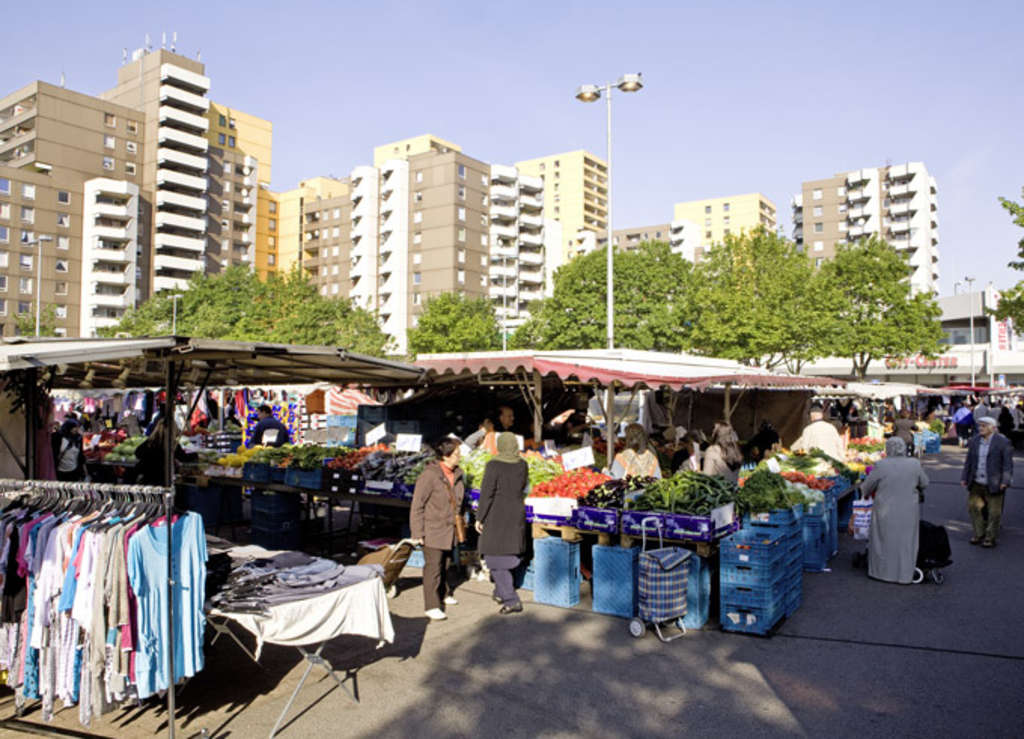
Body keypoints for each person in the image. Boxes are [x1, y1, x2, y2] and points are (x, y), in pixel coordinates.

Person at [410, 437, 466, 621]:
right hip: (433, 527)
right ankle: (432, 605)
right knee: (433, 567)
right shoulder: (429, 475)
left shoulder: (458, 474)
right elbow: (417, 505)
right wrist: (417, 533)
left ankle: (444, 593)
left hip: (450, 528)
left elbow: (459, 501)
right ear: (446, 455)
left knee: (446, 564)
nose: (460, 457)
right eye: (457, 454)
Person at [861, 437, 929, 584]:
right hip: (908, 509)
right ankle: (904, 575)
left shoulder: (881, 465)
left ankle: (882, 572)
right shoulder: (914, 464)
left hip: (885, 508)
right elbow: (925, 483)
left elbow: (866, 487)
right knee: (905, 542)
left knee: (883, 540)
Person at [475, 432, 528, 615]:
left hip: (497, 514)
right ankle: (500, 591)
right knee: (508, 552)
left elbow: (487, 493)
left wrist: (479, 517)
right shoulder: (522, 464)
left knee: (495, 557)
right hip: (515, 512)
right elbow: (523, 487)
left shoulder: (493, 465)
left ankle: (511, 600)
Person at [960, 416, 1013, 547]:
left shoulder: (1003, 442)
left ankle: (990, 537)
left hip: (994, 482)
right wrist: (964, 477)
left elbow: (1007, 464)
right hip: (976, 481)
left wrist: (1005, 481)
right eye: (980, 426)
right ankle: (979, 533)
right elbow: (969, 461)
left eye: (984, 426)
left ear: (992, 428)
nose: (980, 428)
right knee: (973, 507)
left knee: (994, 512)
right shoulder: (974, 441)